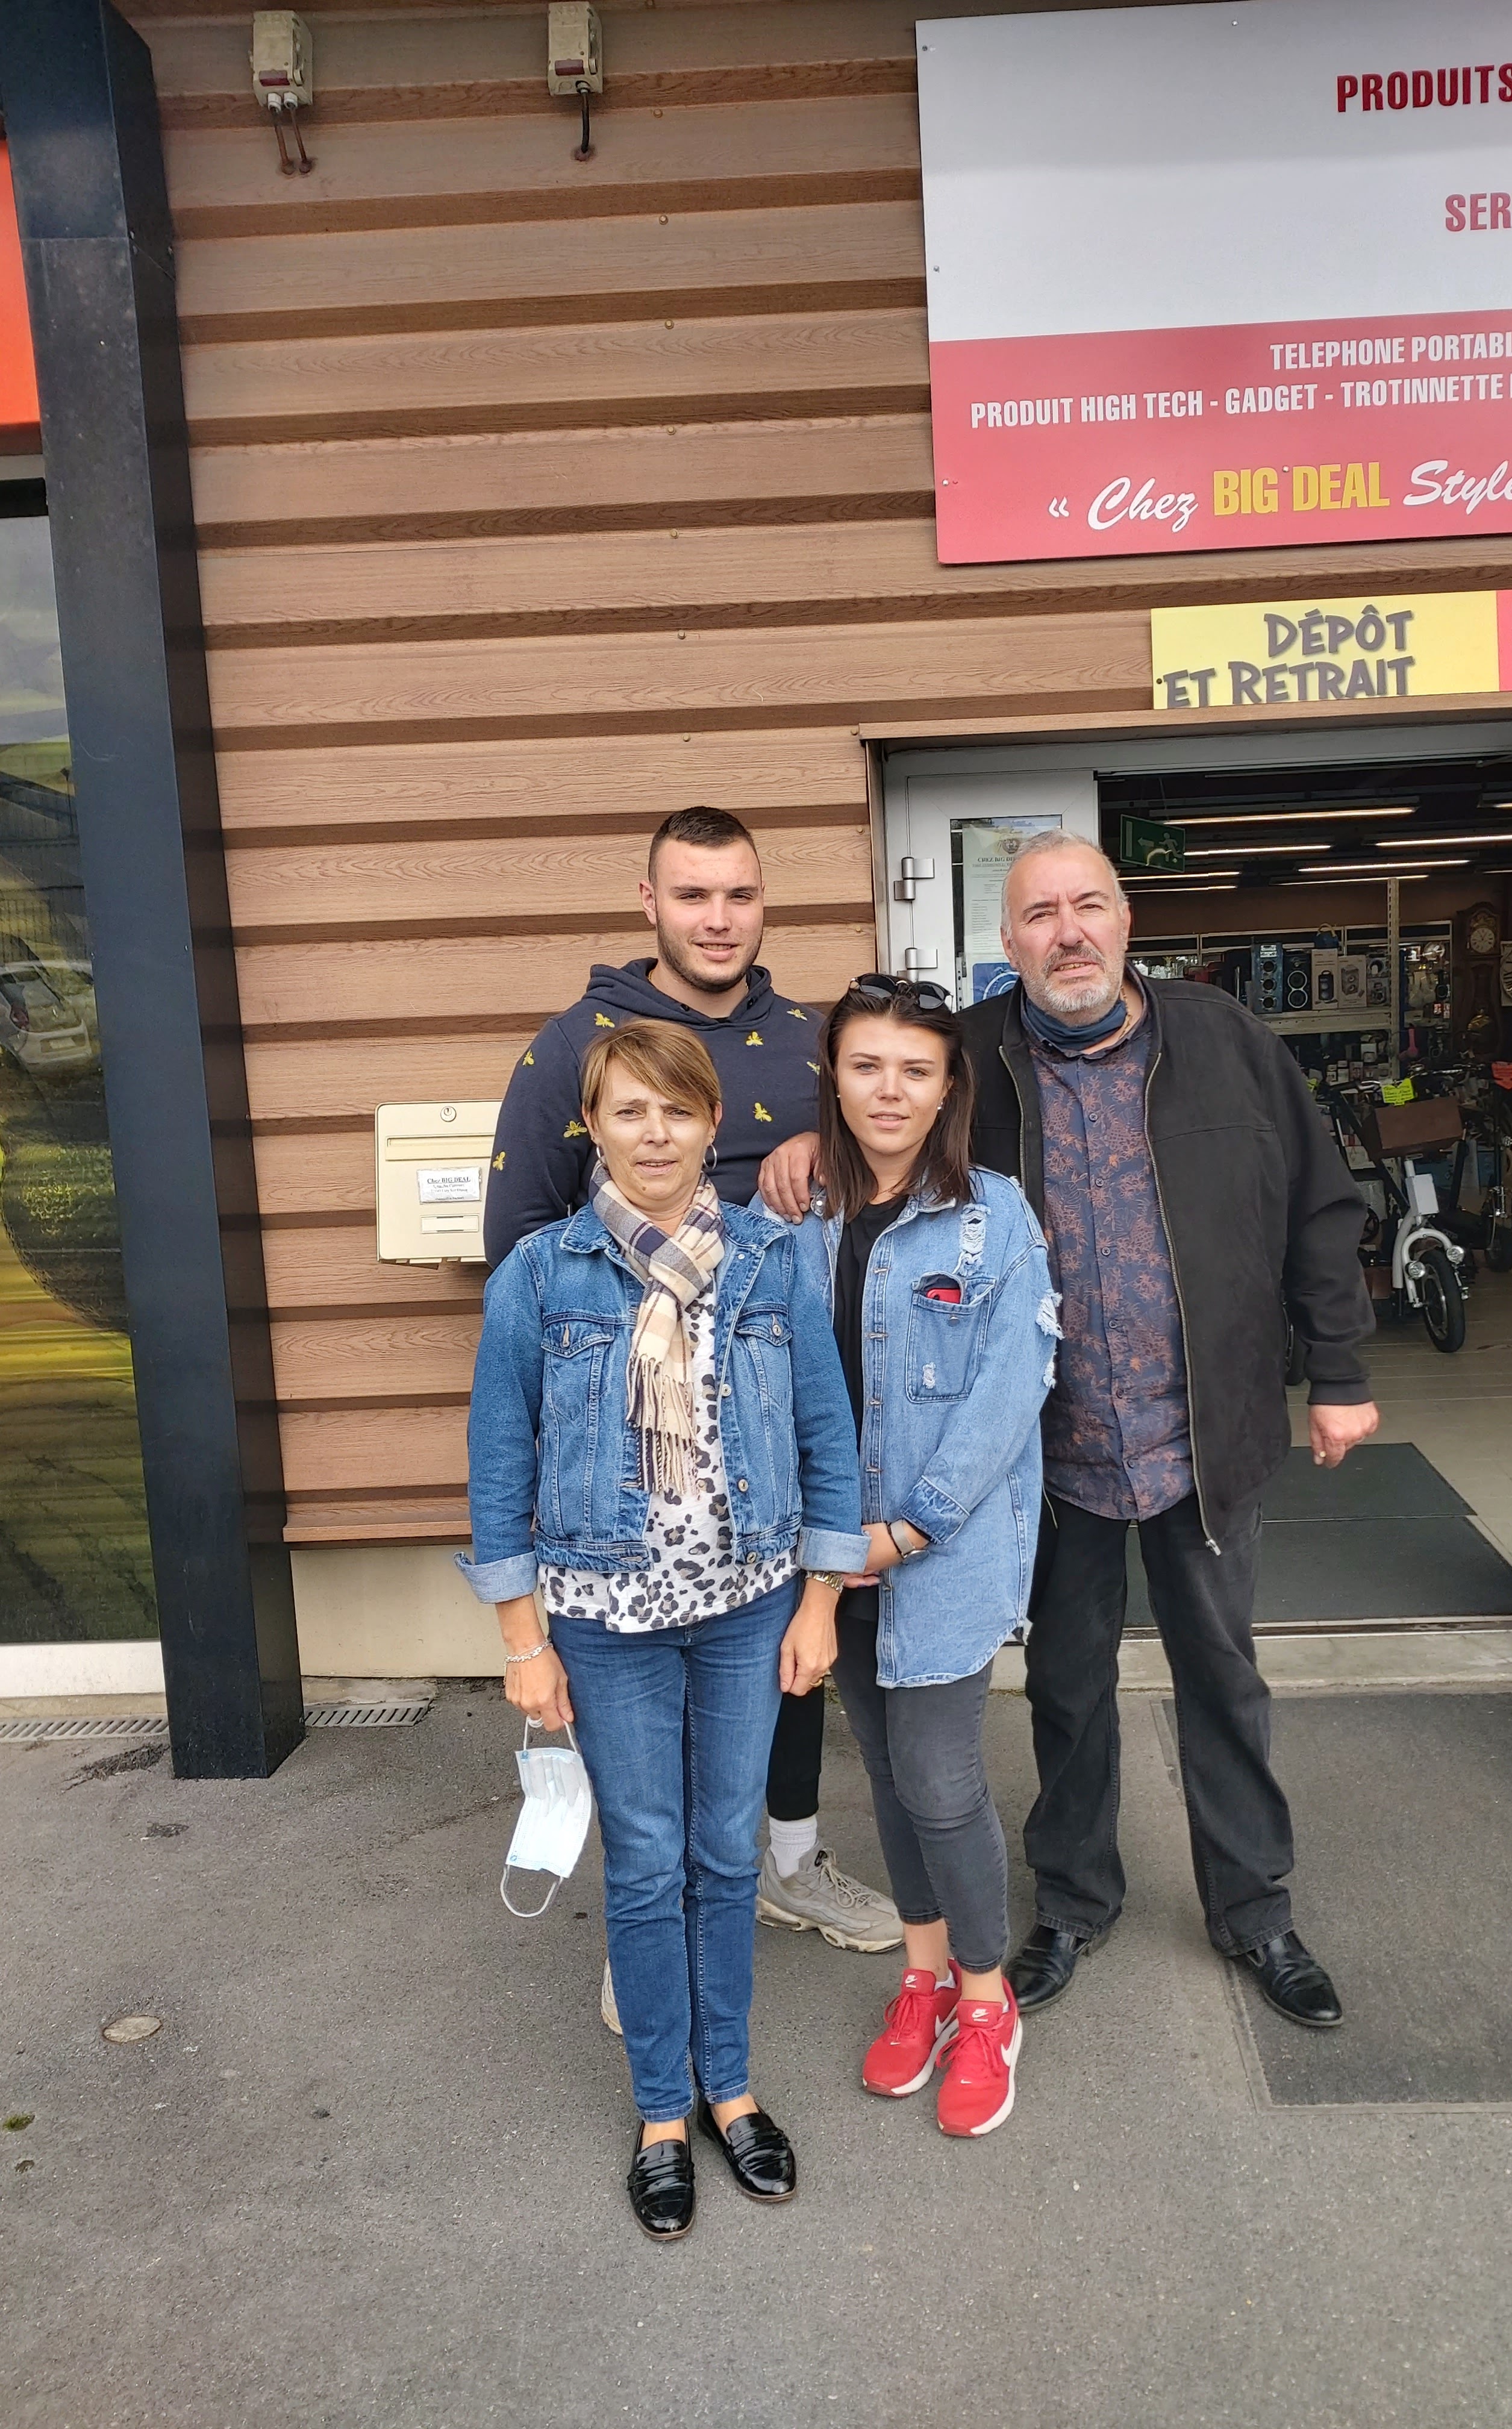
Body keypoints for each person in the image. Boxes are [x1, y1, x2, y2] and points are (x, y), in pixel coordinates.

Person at [760, 832, 1378, 2029]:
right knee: (1067, 1686)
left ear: (1127, 919)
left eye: (1088, 905)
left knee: (1223, 1678)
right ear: (1010, 941)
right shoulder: (973, 1059)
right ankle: (1075, 1903)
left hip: (1201, 1432)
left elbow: (1319, 1200)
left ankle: (1256, 1911)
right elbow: (877, 1119)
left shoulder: (1223, 1040)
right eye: (1040, 915)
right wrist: (804, 1143)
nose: (1069, 933)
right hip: (1047, 1448)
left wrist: (1339, 1368)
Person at [484, 805, 901, 2034]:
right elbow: (522, 1249)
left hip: (784, 1404)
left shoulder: (815, 1043)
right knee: (643, 1715)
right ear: (650, 902)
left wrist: (825, 1136)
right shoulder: (573, 1047)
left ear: (764, 902)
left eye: (739, 895)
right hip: (629, 1458)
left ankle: (791, 1861)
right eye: (693, 895)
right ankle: (651, 1926)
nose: (718, 920)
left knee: (784, 1664)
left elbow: (895, 1157)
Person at [461, 1019, 869, 2242]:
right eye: (629, 1111)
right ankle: (659, 2115)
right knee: (644, 1864)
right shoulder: (542, 1274)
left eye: (677, 1111)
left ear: (711, 1123)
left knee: (728, 1858)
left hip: (747, 1607)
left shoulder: (772, 1260)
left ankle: (730, 2090)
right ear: (593, 1124)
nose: (655, 1134)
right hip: (606, 1619)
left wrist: (821, 1601)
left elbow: (827, 1435)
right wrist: (523, 1639)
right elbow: (500, 1460)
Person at [801, 976, 1055, 2136]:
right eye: (867, 1066)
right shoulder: (797, 1219)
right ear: (835, 1078)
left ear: (950, 1087)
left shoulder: (994, 1217)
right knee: (890, 1777)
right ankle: (924, 1977)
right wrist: (823, 1542)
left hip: (938, 1553)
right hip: (829, 1554)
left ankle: (987, 1999)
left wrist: (908, 1530)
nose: (890, 1091)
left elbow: (1011, 1393)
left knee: (943, 1780)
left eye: (916, 1069)